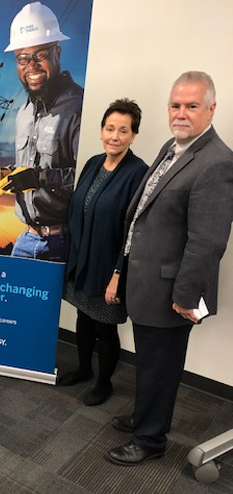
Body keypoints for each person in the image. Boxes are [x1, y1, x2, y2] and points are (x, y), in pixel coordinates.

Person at [107, 71, 233, 465]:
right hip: (146, 281)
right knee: (150, 361)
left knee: (161, 366)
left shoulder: (216, 163)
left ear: (211, 109)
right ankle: (146, 416)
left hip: (171, 292)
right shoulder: (173, 145)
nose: (181, 113)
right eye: (175, 105)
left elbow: (207, 241)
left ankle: (149, 440)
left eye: (192, 106)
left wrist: (183, 297)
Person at [59, 99, 148, 405]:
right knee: (83, 318)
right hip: (83, 260)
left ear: (133, 136)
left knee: (105, 326)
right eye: (110, 128)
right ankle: (84, 368)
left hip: (109, 266)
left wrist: (117, 275)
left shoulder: (139, 174)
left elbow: (134, 231)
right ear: (101, 131)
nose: (115, 136)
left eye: (123, 131)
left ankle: (104, 382)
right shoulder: (93, 163)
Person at [0, 2, 84, 261]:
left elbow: (88, 180)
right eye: (22, 58)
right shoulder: (23, 113)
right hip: (26, 239)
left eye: (40, 55)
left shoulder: (78, 107)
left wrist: (39, 178)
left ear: (57, 51)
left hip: (62, 243)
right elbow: (33, 165)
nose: (31, 65)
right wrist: (12, 173)